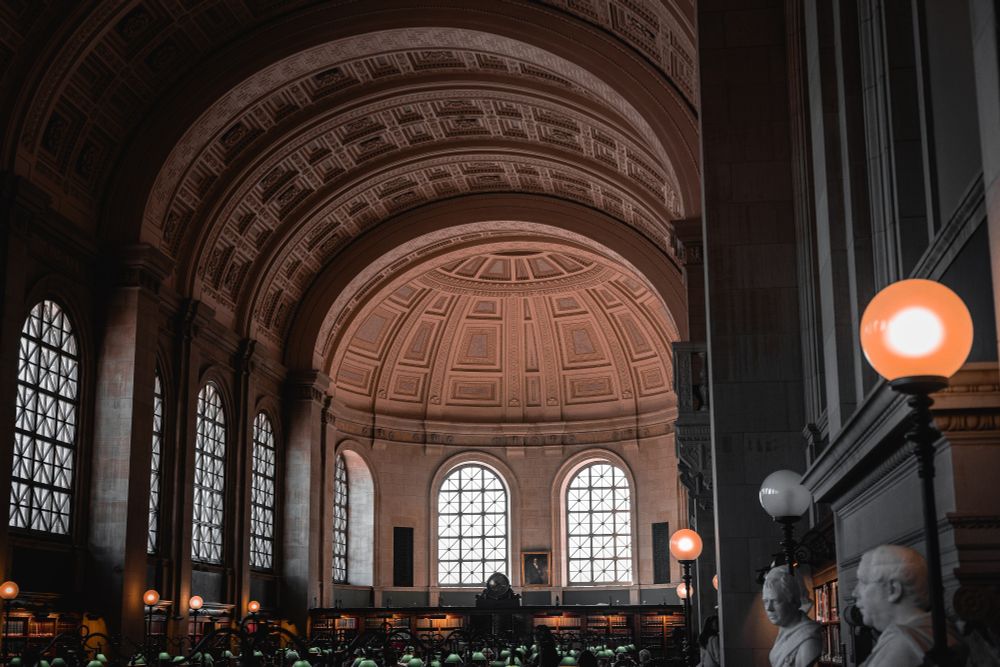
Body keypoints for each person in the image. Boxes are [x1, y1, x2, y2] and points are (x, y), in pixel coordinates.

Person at [852, 544, 958, 666]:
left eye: (863, 582)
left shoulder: (902, 645)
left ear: (893, 589)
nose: (855, 593)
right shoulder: (935, 632)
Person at [762, 566, 822, 666]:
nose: (769, 608)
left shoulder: (808, 641)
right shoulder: (785, 631)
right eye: (765, 601)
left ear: (792, 601)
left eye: (775, 601)